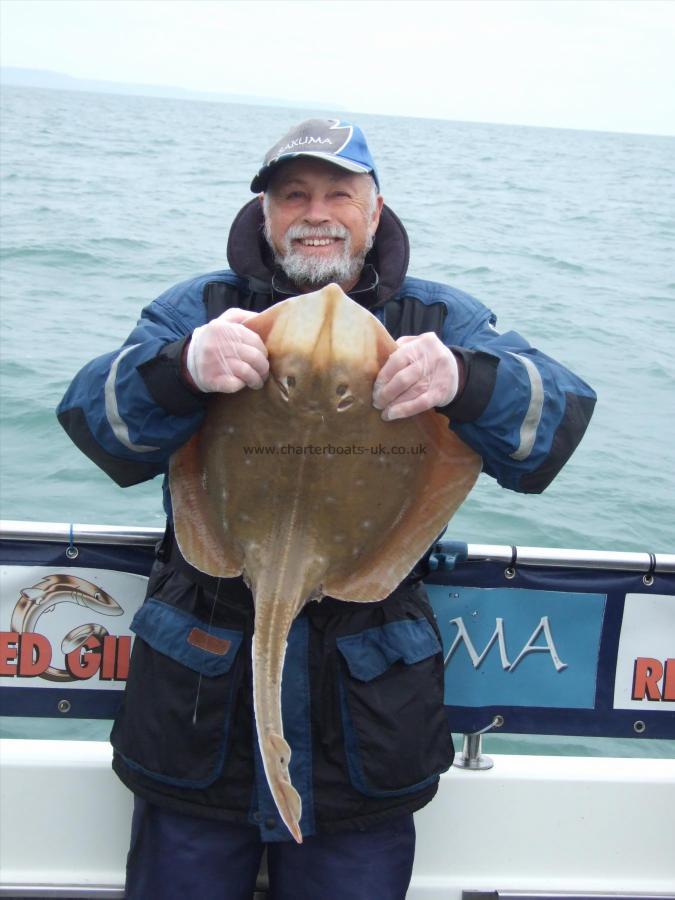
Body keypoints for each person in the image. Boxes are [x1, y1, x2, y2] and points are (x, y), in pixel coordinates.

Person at [57, 118, 596, 899]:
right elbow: (95, 423)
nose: (316, 212)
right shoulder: (204, 310)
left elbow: (551, 434)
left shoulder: (438, 323)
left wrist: (467, 381)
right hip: (200, 701)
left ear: (374, 213)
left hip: (363, 716)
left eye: (338, 194)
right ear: (266, 215)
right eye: (293, 195)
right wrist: (183, 367)